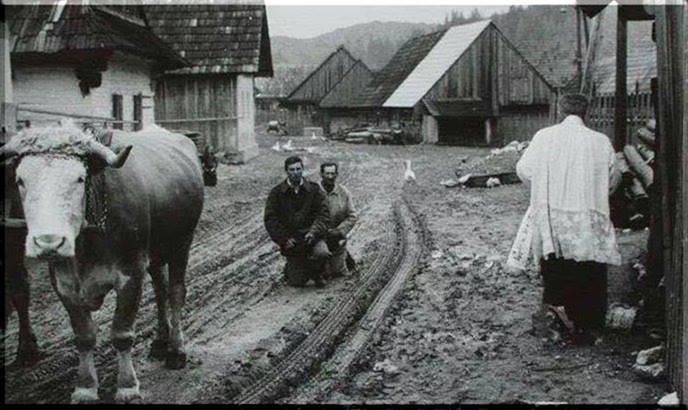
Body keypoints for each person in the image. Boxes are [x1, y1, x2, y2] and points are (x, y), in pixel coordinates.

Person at [506, 93, 621, 345]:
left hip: (553, 214)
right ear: (586, 113)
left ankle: (556, 325)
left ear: (560, 112)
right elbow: (614, 178)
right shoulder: (601, 142)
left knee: (557, 267)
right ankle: (588, 328)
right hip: (588, 216)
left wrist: (545, 187)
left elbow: (524, 170)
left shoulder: (544, 137)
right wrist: (595, 194)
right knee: (590, 269)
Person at [264, 156, 331, 287]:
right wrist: (284, 239)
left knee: (322, 253)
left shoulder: (314, 189)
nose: (295, 172)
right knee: (297, 282)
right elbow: (270, 219)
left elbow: (323, 214)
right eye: (292, 170)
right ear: (286, 171)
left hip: (312, 237)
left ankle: (318, 272)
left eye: (298, 169)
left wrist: (314, 231)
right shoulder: (277, 193)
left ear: (302, 170)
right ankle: (293, 267)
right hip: (292, 241)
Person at [319, 161, 358, 278]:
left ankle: (343, 254)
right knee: (318, 269)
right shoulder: (313, 191)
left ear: (336, 175)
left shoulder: (344, 192)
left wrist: (339, 231)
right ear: (321, 174)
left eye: (333, 174)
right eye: (327, 174)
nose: (330, 177)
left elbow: (352, 216)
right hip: (318, 236)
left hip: (335, 237)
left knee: (336, 272)